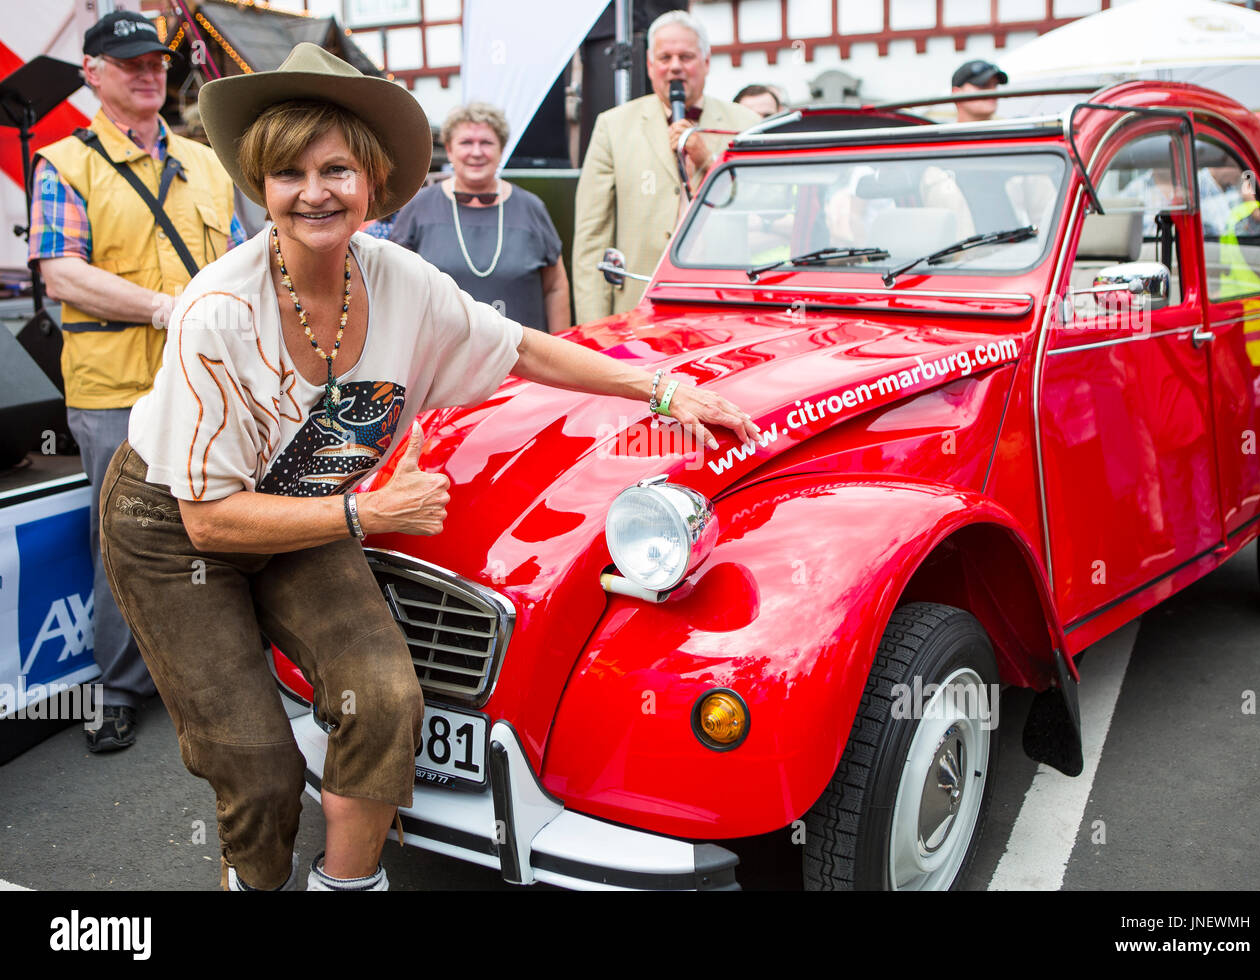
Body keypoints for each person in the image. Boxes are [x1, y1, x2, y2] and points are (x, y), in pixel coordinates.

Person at [97, 43, 760, 892]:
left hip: (311, 502)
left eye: (336, 168)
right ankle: (253, 881)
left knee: (383, 700)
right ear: (261, 186)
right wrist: (366, 517)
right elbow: (209, 519)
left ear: (372, 181)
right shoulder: (217, 311)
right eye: (288, 172)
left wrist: (664, 389)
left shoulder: (404, 280)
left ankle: (349, 884)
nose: (314, 192)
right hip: (174, 527)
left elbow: (521, 346)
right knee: (257, 767)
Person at [29, 9, 243, 753]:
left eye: (156, 60)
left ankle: (209, 678)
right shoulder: (63, 161)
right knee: (125, 537)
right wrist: (166, 307)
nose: (150, 71)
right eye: (129, 62)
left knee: (218, 529)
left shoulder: (209, 161)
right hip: (116, 385)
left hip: (209, 383)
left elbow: (243, 265)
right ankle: (118, 687)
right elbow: (62, 273)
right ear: (92, 74)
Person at [572, 10, 759, 324]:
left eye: (686, 57)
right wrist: (593, 327)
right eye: (665, 57)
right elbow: (592, 239)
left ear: (706, 62)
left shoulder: (745, 124)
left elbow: (763, 207)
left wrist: (708, 162)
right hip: (637, 308)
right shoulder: (613, 126)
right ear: (649, 64)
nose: (675, 67)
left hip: (723, 308)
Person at [390, 103, 569, 333]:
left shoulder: (531, 208)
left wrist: (560, 344)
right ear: (450, 149)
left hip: (522, 359)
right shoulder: (419, 208)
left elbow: (555, 286)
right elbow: (395, 286)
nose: (476, 152)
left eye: (486, 142)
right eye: (466, 142)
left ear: (501, 149)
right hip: (442, 360)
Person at [951, 59, 1007, 124]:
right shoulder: (940, 132)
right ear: (956, 93)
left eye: (995, 85)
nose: (993, 91)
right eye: (984, 85)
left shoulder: (1014, 130)